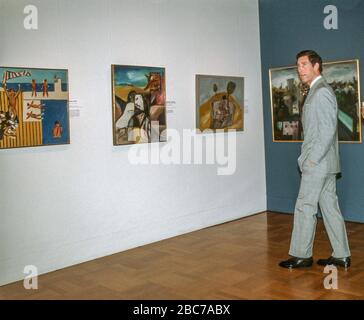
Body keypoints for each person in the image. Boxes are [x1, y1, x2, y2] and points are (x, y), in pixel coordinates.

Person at [279, 50, 351, 269]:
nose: (299, 69)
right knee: (329, 207)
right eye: (298, 65)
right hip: (326, 163)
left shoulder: (321, 92)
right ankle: (341, 254)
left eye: (303, 65)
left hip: (318, 163)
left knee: (304, 206)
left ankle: (301, 255)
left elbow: (328, 130)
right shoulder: (317, 91)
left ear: (316, 66)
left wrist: (311, 160)